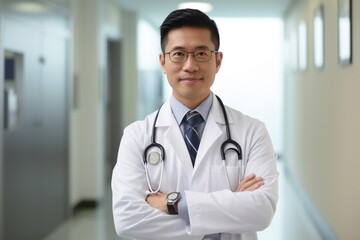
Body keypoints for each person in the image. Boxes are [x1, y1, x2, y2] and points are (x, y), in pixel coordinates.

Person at [112, 8, 278, 240]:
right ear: (163, 62)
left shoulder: (252, 132)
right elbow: (127, 220)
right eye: (178, 54)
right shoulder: (136, 136)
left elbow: (261, 211)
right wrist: (227, 217)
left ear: (218, 60)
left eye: (201, 53)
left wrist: (173, 203)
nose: (190, 65)